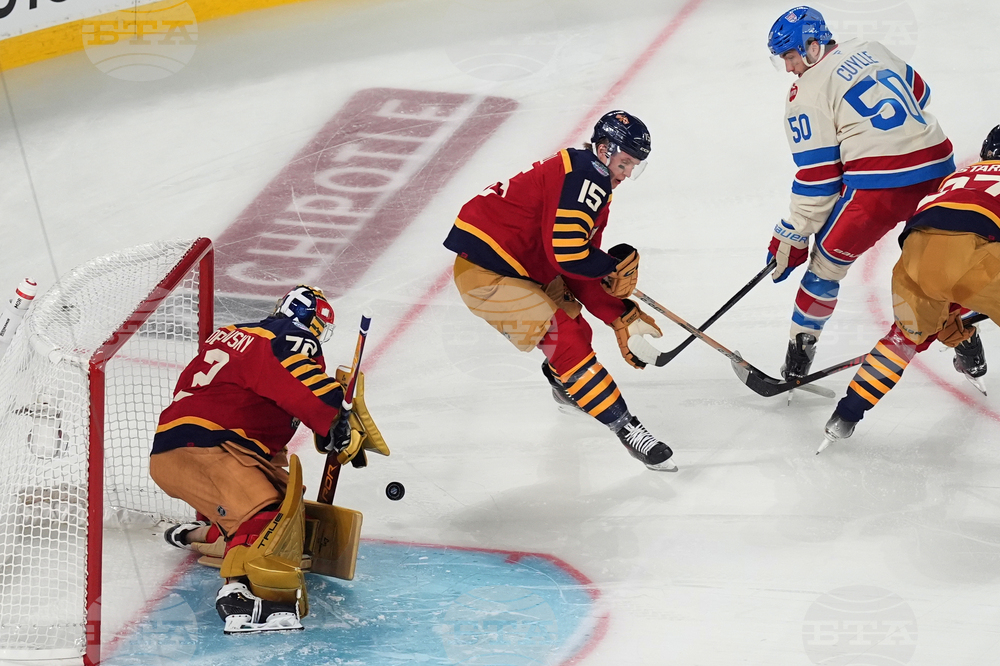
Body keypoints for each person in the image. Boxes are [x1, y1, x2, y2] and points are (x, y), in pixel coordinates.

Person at [442, 110, 676, 472]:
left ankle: (566, 385)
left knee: (575, 328)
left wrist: (619, 314)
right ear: (603, 149)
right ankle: (628, 430)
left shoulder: (590, 179)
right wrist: (609, 269)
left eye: (635, 166)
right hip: (486, 274)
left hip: (526, 265)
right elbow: (568, 254)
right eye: (625, 162)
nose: (628, 174)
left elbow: (576, 268)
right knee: (566, 341)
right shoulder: (586, 178)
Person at [149, 285, 366, 634]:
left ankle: (195, 534)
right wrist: (333, 417)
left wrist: (325, 430)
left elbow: (258, 399)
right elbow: (299, 378)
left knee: (272, 516)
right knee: (268, 519)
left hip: (175, 449)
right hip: (211, 448)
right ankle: (237, 593)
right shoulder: (289, 336)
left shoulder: (234, 333)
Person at [764, 6, 960, 382]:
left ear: (811, 45)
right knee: (946, 266)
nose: (789, 67)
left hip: (880, 187)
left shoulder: (804, 93)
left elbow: (819, 178)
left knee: (824, 266)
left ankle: (796, 363)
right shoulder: (872, 47)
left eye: (790, 56)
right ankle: (967, 344)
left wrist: (793, 232)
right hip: (939, 169)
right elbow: (921, 93)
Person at [821, 125, 1000, 447]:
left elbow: (943, 260)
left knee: (902, 339)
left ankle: (845, 415)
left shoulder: (959, 177)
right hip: (976, 254)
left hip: (915, 257)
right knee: (965, 278)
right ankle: (963, 344)